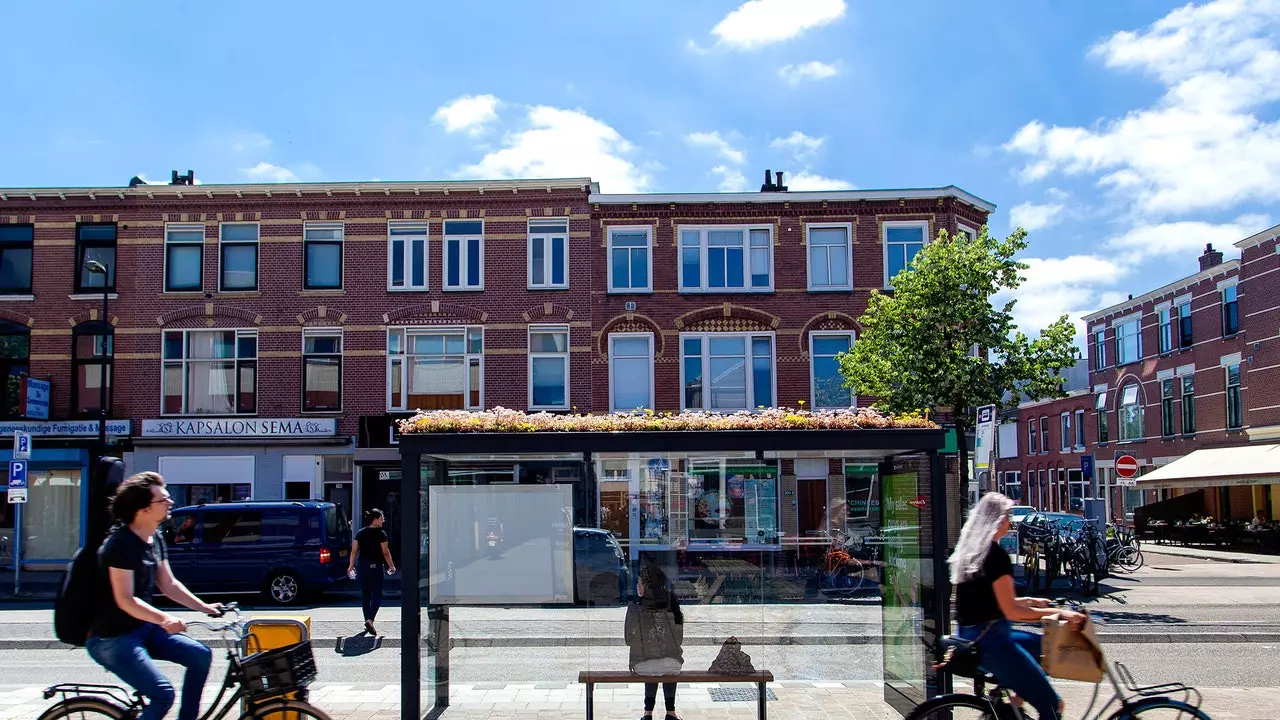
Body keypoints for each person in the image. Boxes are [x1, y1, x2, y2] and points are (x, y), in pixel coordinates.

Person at [87, 472, 223, 720]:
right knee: (163, 695)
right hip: (114, 639)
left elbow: (168, 583)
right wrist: (164, 619)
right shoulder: (120, 544)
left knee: (200, 656)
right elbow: (125, 599)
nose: (170, 503)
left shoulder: (154, 537)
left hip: (144, 629)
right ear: (142, 509)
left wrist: (205, 607)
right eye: (163, 500)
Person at [950, 492, 1087, 720]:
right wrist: (1059, 613)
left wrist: (1032, 602)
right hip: (994, 642)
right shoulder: (996, 556)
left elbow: (988, 600)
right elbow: (1011, 611)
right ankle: (1020, 694)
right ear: (996, 520)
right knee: (1054, 706)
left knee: (1045, 648)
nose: (1010, 521)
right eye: (1007, 516)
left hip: (973, 634)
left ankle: (1013, 701)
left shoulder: (973, 552)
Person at [625, 563, 684, 720]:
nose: (637, 585)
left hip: (642, 666)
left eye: (639, 582)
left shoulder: (636, 605)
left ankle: (647, 713)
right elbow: (679, 637)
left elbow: (628, 639)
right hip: (673, 664)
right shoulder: (672, 600)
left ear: (647, 584)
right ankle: (671, 712)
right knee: (667, 661)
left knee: (649, 660)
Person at [349, 508, 396, 635]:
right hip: (375, 567)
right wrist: (391, 566)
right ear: (375, 520)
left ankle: (367, 622)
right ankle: (370, 620)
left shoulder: (360, 533)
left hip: (362, 566)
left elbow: (354, 551)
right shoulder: (381, 534)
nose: (383, 521)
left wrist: (350, 566)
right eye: (381, 518)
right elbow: (385, 552)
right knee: (377, 596)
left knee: (365, 596)